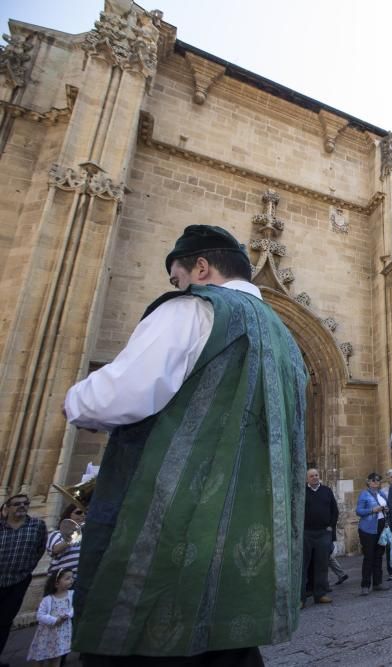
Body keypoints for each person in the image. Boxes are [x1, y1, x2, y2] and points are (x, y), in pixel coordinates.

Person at [63, 224, 307, 665]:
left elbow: (119, 396)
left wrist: (71, 400)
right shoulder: (286, 339)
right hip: (241, 561)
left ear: (200, 267)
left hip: (166, 540)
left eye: (176, 278)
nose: (176, 287)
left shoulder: (194, 309)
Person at [1, 494, 47, 662]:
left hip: (18, 580)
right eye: (17, 504)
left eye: (25, 504)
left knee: (5, 621)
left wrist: (27, 569)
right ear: (7, 507)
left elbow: (40, 549)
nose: (22, 506)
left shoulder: (37, 526)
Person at [302, 469, 338, 607]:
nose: (315, 477)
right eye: (311, 476)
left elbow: (334, 511)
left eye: (316, 475)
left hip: (323, 533)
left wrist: (330, 528)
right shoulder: (303, 492)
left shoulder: (326, 491)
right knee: (303, 566)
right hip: (307, 533)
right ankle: (301, 598)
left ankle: (320, 594)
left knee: (322, 565)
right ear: (307, 479)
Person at [26, 569, 75, 667]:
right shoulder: (48, 599)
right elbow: (40, 615)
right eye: (67, 578)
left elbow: (74, 608)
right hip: (46, 634)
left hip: (62, 634)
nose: (71, 580)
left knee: (56, 657)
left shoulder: (72, 594)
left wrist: (68, 614)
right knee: (40, 657)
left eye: (72, 577)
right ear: (56, 583)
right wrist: (55, 620)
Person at [355, 473, 388, 595]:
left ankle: (377, 583)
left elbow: (386, 505)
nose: (376, 482)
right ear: (368, 482)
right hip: (368, 529)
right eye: (373, 480)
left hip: (381, 527)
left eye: (378, 480)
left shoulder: (381, 494)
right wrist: (372, 510)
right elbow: (358, 511)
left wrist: (386, 509)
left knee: (379, 556)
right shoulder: (364, 494)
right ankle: (365, 585)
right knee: (369, 556)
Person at [46, 503, 86, 575]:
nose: (83, 515)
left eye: (85, 513)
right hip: (63, 580)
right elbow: (56, 549)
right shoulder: (56, 534)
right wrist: (76, 534)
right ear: (69, 515)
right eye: (78, 512)